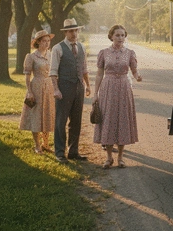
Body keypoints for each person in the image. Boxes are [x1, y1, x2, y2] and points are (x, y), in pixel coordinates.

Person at [93, 24, 142, 169]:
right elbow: (99, 74)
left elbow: (134, 71)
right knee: (108, 120)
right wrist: (95, 94)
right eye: (117, 35)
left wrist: (138, 76)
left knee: (122, 120)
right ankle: (108, 158)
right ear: (111, 37)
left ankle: (120, 157)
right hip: (108, 88)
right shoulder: (104, 53)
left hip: (123, 87)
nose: (120, 38)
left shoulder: (130, 53)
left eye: (122, 35)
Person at [50, 18, 91, 164]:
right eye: (70, 31)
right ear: (65, 32)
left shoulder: (82, 47)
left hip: (79, 87)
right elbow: (53, 72)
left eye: (75, 30)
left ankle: (73, 151)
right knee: (61, 121)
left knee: (76, 121)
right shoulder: (58, 48)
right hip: (64, 87)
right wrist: (56, 89)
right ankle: (60, 153)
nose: (73, 33)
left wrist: (88, 85)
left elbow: (84, 68)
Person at [19, 30, 55, 154]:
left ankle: (46, 143)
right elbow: (27, 76)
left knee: (47, 115)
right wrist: (29, 91)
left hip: (49, 86)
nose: (46, 43)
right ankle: (37, 145)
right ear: (38, 42)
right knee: (36, 115)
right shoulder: (31, 57)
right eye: (44, 41)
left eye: (48, 41)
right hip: (36, 87)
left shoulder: (51, 55)